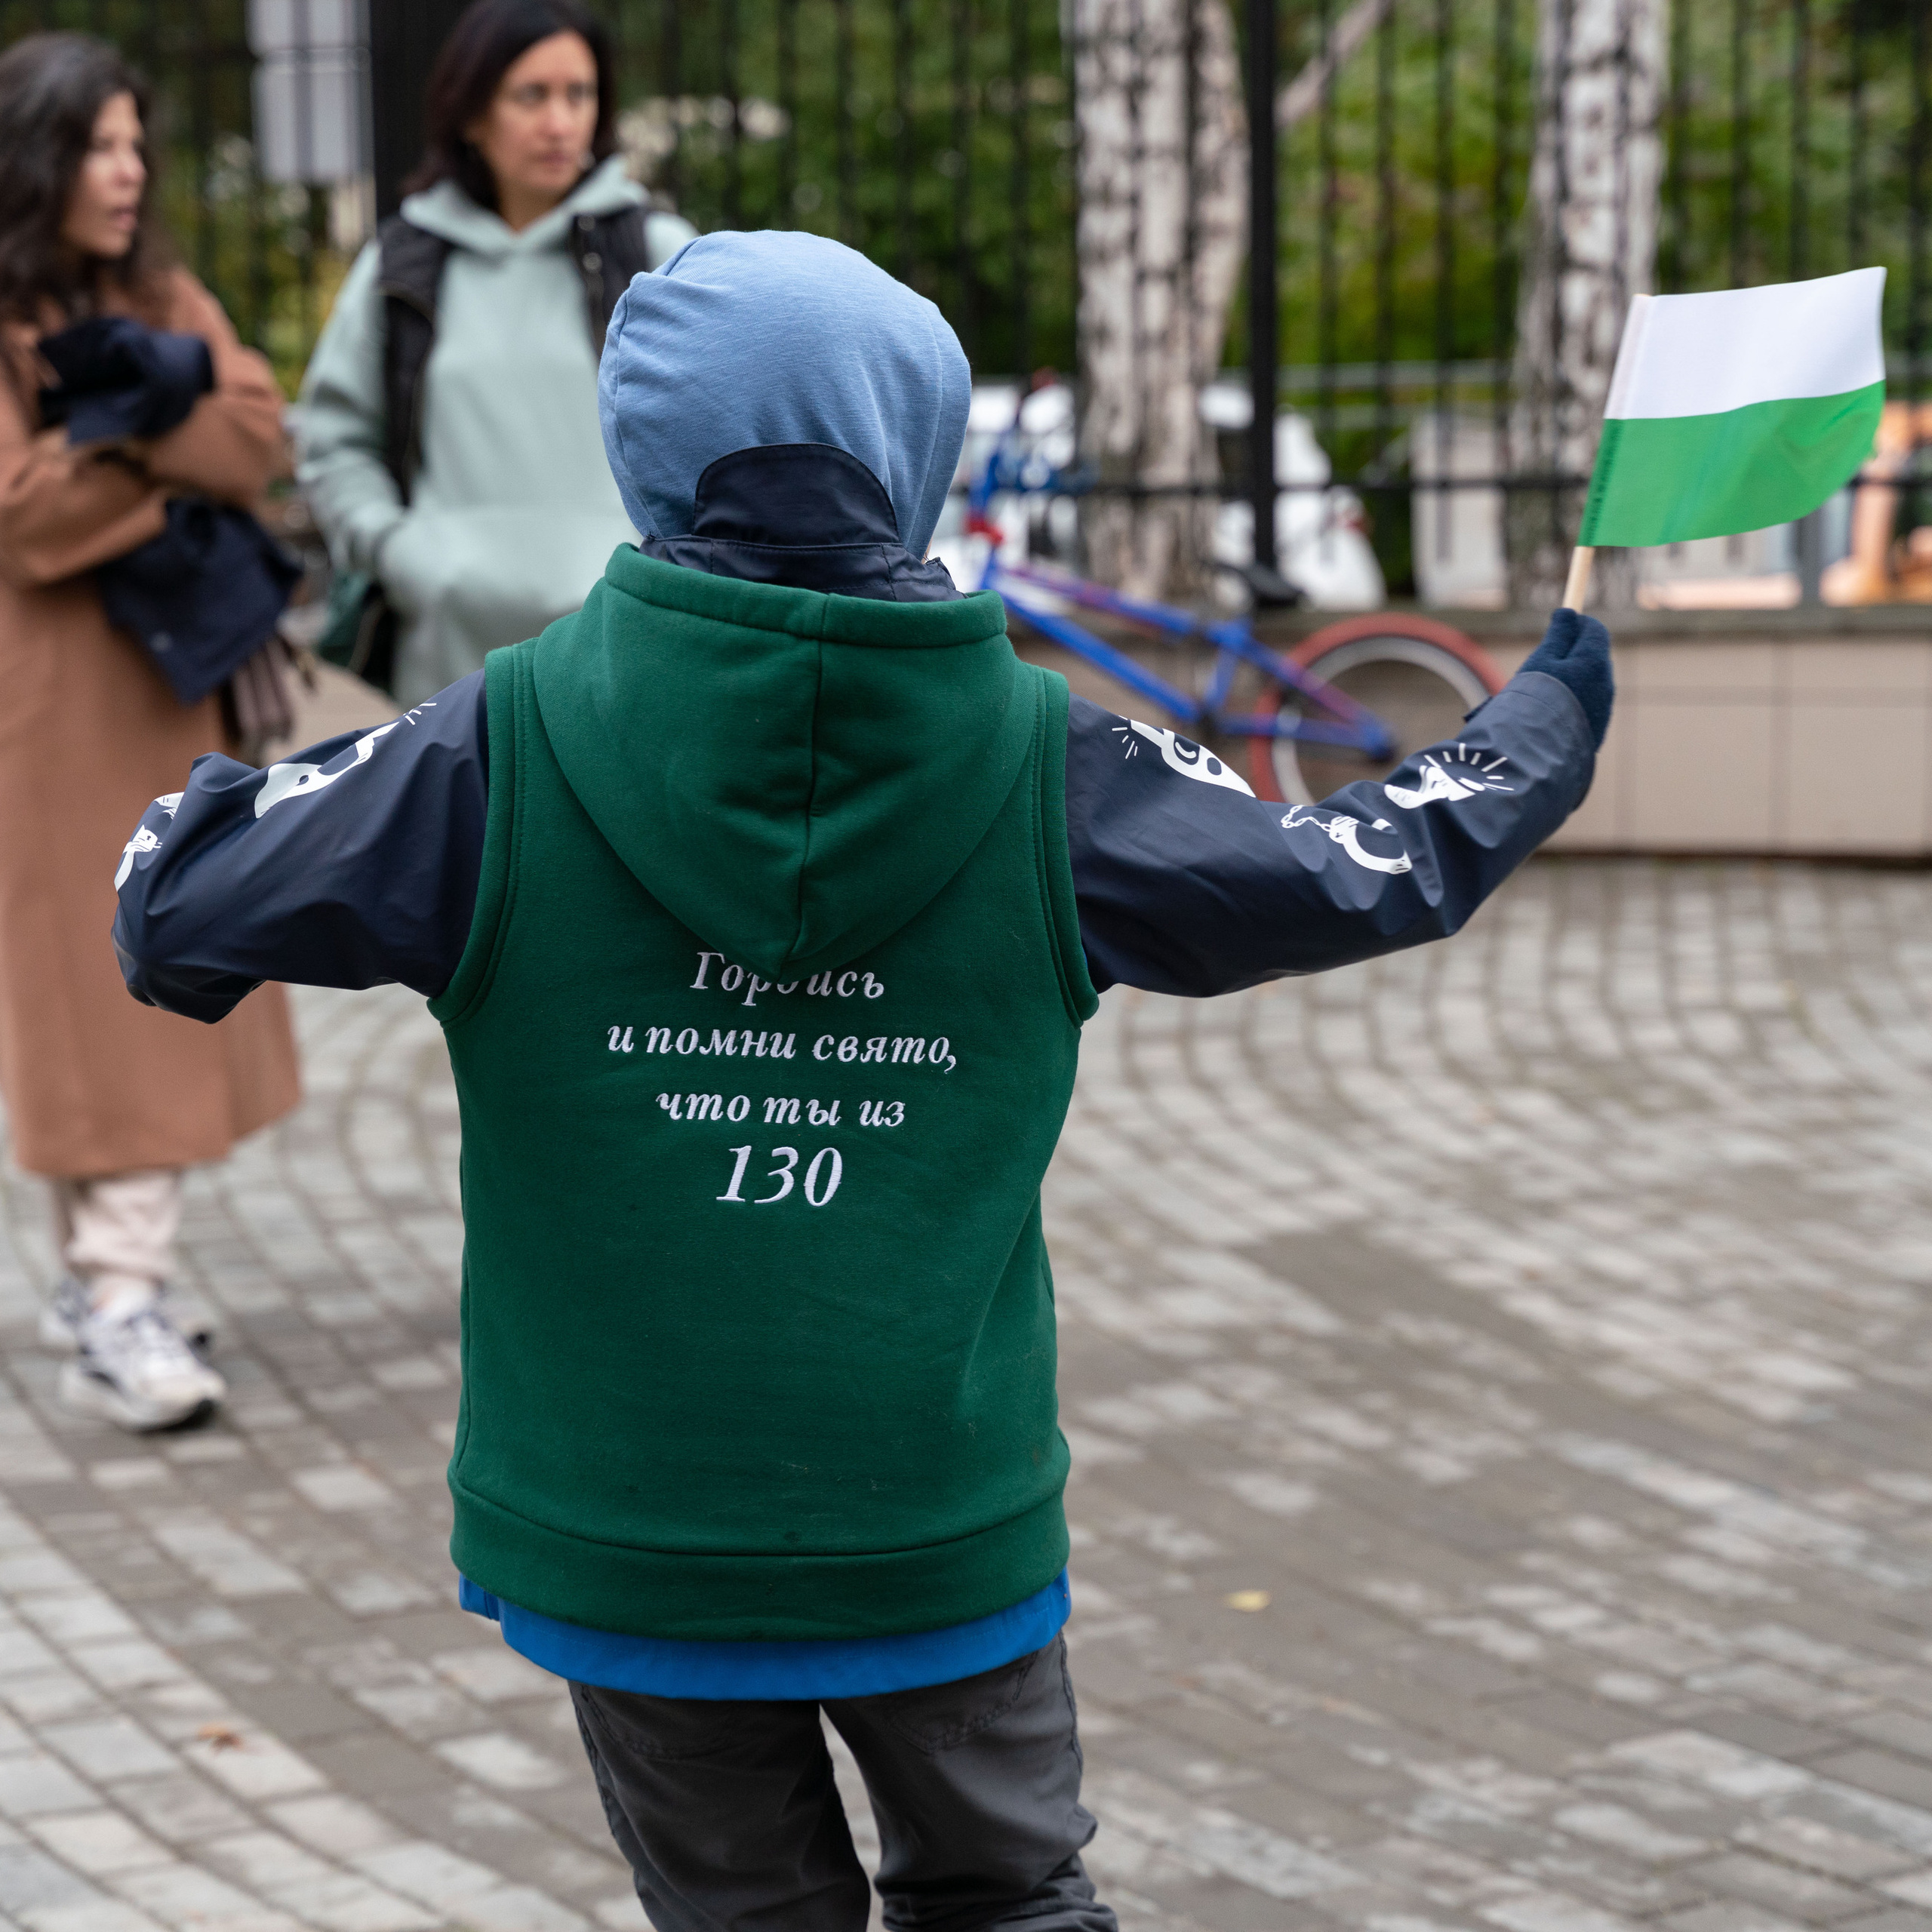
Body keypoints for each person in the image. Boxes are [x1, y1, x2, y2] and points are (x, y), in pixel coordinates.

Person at [114, 232, 1611, 1928]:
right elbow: (1358, 864)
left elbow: (174, 913)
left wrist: (219, 799)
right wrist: (1535, 720)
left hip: (629, 1518)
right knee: (1007, 1896)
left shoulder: (489, 750)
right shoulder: (1058, 767)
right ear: (914, 449)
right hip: (933, 1512)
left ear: (639, 448)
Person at [0, 32, 300, 1434]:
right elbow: (21, 513)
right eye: (100, 146)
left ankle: (106, 1280)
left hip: (172, 687)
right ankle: (117, 1292)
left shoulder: (161, 289)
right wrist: (152, 413)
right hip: (53, 702)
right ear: (38, 160)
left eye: (137, 144)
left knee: (164, 953)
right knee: (91, 991)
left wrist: (115, 418)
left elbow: (251, 436)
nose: (127, 173)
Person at [296, 0, 694, 706]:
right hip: (446, 673)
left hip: (626, 659)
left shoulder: (657, 255)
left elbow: (722, 430)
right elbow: (332, 440)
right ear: (473, 115)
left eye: (579, 94)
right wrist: (397, 552)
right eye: (531, 95)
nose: (560, 122)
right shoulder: (402, 264)